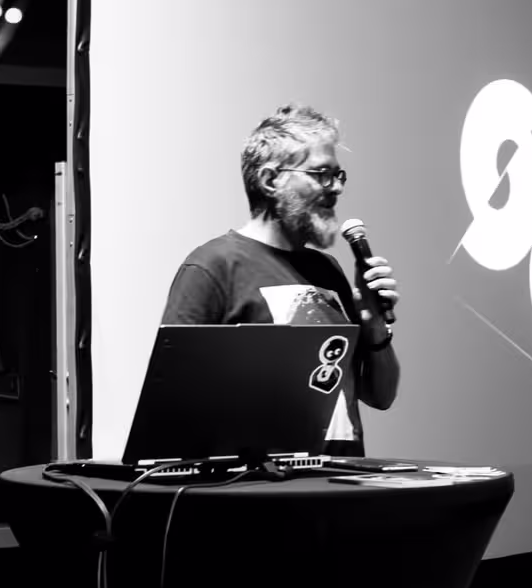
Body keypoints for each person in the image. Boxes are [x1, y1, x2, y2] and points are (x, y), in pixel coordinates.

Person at [160, 103, 401, 451]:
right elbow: (172, 403)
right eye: (321, 174)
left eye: (339, 175)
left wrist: (374, 325)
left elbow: (381, 395)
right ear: (271, 180)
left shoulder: (328, 271)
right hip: (261, 484)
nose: (336, 188)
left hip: (343, 480)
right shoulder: (213, 267)